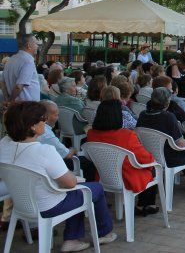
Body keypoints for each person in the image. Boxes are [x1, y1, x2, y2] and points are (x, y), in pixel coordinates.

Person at [0, 102, 117, 252]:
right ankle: (101, 233)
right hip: (48, 206)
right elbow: (70, 183)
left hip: (21, 203)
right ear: (32, 126)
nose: (46, 120)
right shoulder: (44, 151)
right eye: (42, 118)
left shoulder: (4, 145)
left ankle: (73, 238)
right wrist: (73, 179)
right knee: (93, 188)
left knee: (76, 192)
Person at [137, 87, 185, 200]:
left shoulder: (143, 114)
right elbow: (180, 143)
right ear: (167, 102)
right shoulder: (168, 117)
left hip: (151, 155)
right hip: (170, 157)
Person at [87, 100, 159, 215]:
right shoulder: (127, 135)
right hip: (127, 177)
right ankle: (145, 204)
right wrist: (153, 160)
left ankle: (145, 204)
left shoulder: (91, 134)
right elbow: (145, 159)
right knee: (153, 167)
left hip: (104, 176)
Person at [39, 100, 96, 182]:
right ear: (46, 117)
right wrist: (73, 149)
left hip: (45, 164)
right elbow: (66, 154)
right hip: (52, 166)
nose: (58, 118)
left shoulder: (37, 131)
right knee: (88, 163)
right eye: (56, 115)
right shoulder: (46, 133)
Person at [2, 34, 40, 102]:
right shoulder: (28, 60)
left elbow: (2, 82)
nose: (37, 46)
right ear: (29, 46)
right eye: (36, 44)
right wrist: (10, 101)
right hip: (26, 106)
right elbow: (18, 86)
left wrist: (6, 98)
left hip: (17, 105)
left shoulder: (11, 60)